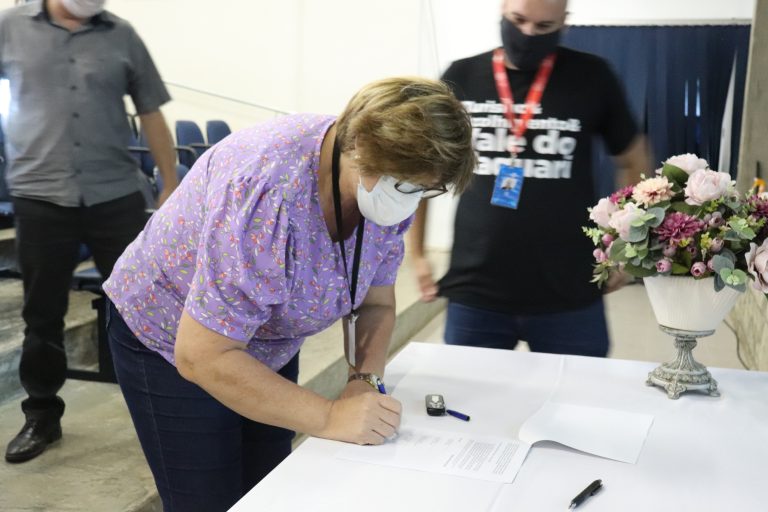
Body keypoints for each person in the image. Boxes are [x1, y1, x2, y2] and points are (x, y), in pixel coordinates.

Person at [103, 76, 475, 511]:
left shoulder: (387, 188)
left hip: (267, 339)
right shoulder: (267, 190)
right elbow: (202, 355)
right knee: (209, 499)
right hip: (170, 338)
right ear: (359, 147)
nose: (410, 200)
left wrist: (364, 381)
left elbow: (375, 304)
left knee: (271, 490)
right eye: (406, 185)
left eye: (425, 190)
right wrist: (330, 416)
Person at [411, 0, 649, 357]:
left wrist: (624, 245)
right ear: (502, 9)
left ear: (564, 23)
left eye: (543, 27)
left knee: (578, 390)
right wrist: (416, 253)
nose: (527, 34)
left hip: (569, 289)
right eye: (518, 20)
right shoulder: (462, 76)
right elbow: (418, 166)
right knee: (471, 392)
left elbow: (634, 162)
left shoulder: (592, 76)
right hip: (476, 287)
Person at [1, 0, 178, 463]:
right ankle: (42, 415)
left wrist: (170, 184)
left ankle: (168, 411)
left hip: (114, 194)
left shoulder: (122, 35)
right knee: (42, 315)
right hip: (40, 194)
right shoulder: (10, 27)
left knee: (145, 306)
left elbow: (151, 112)